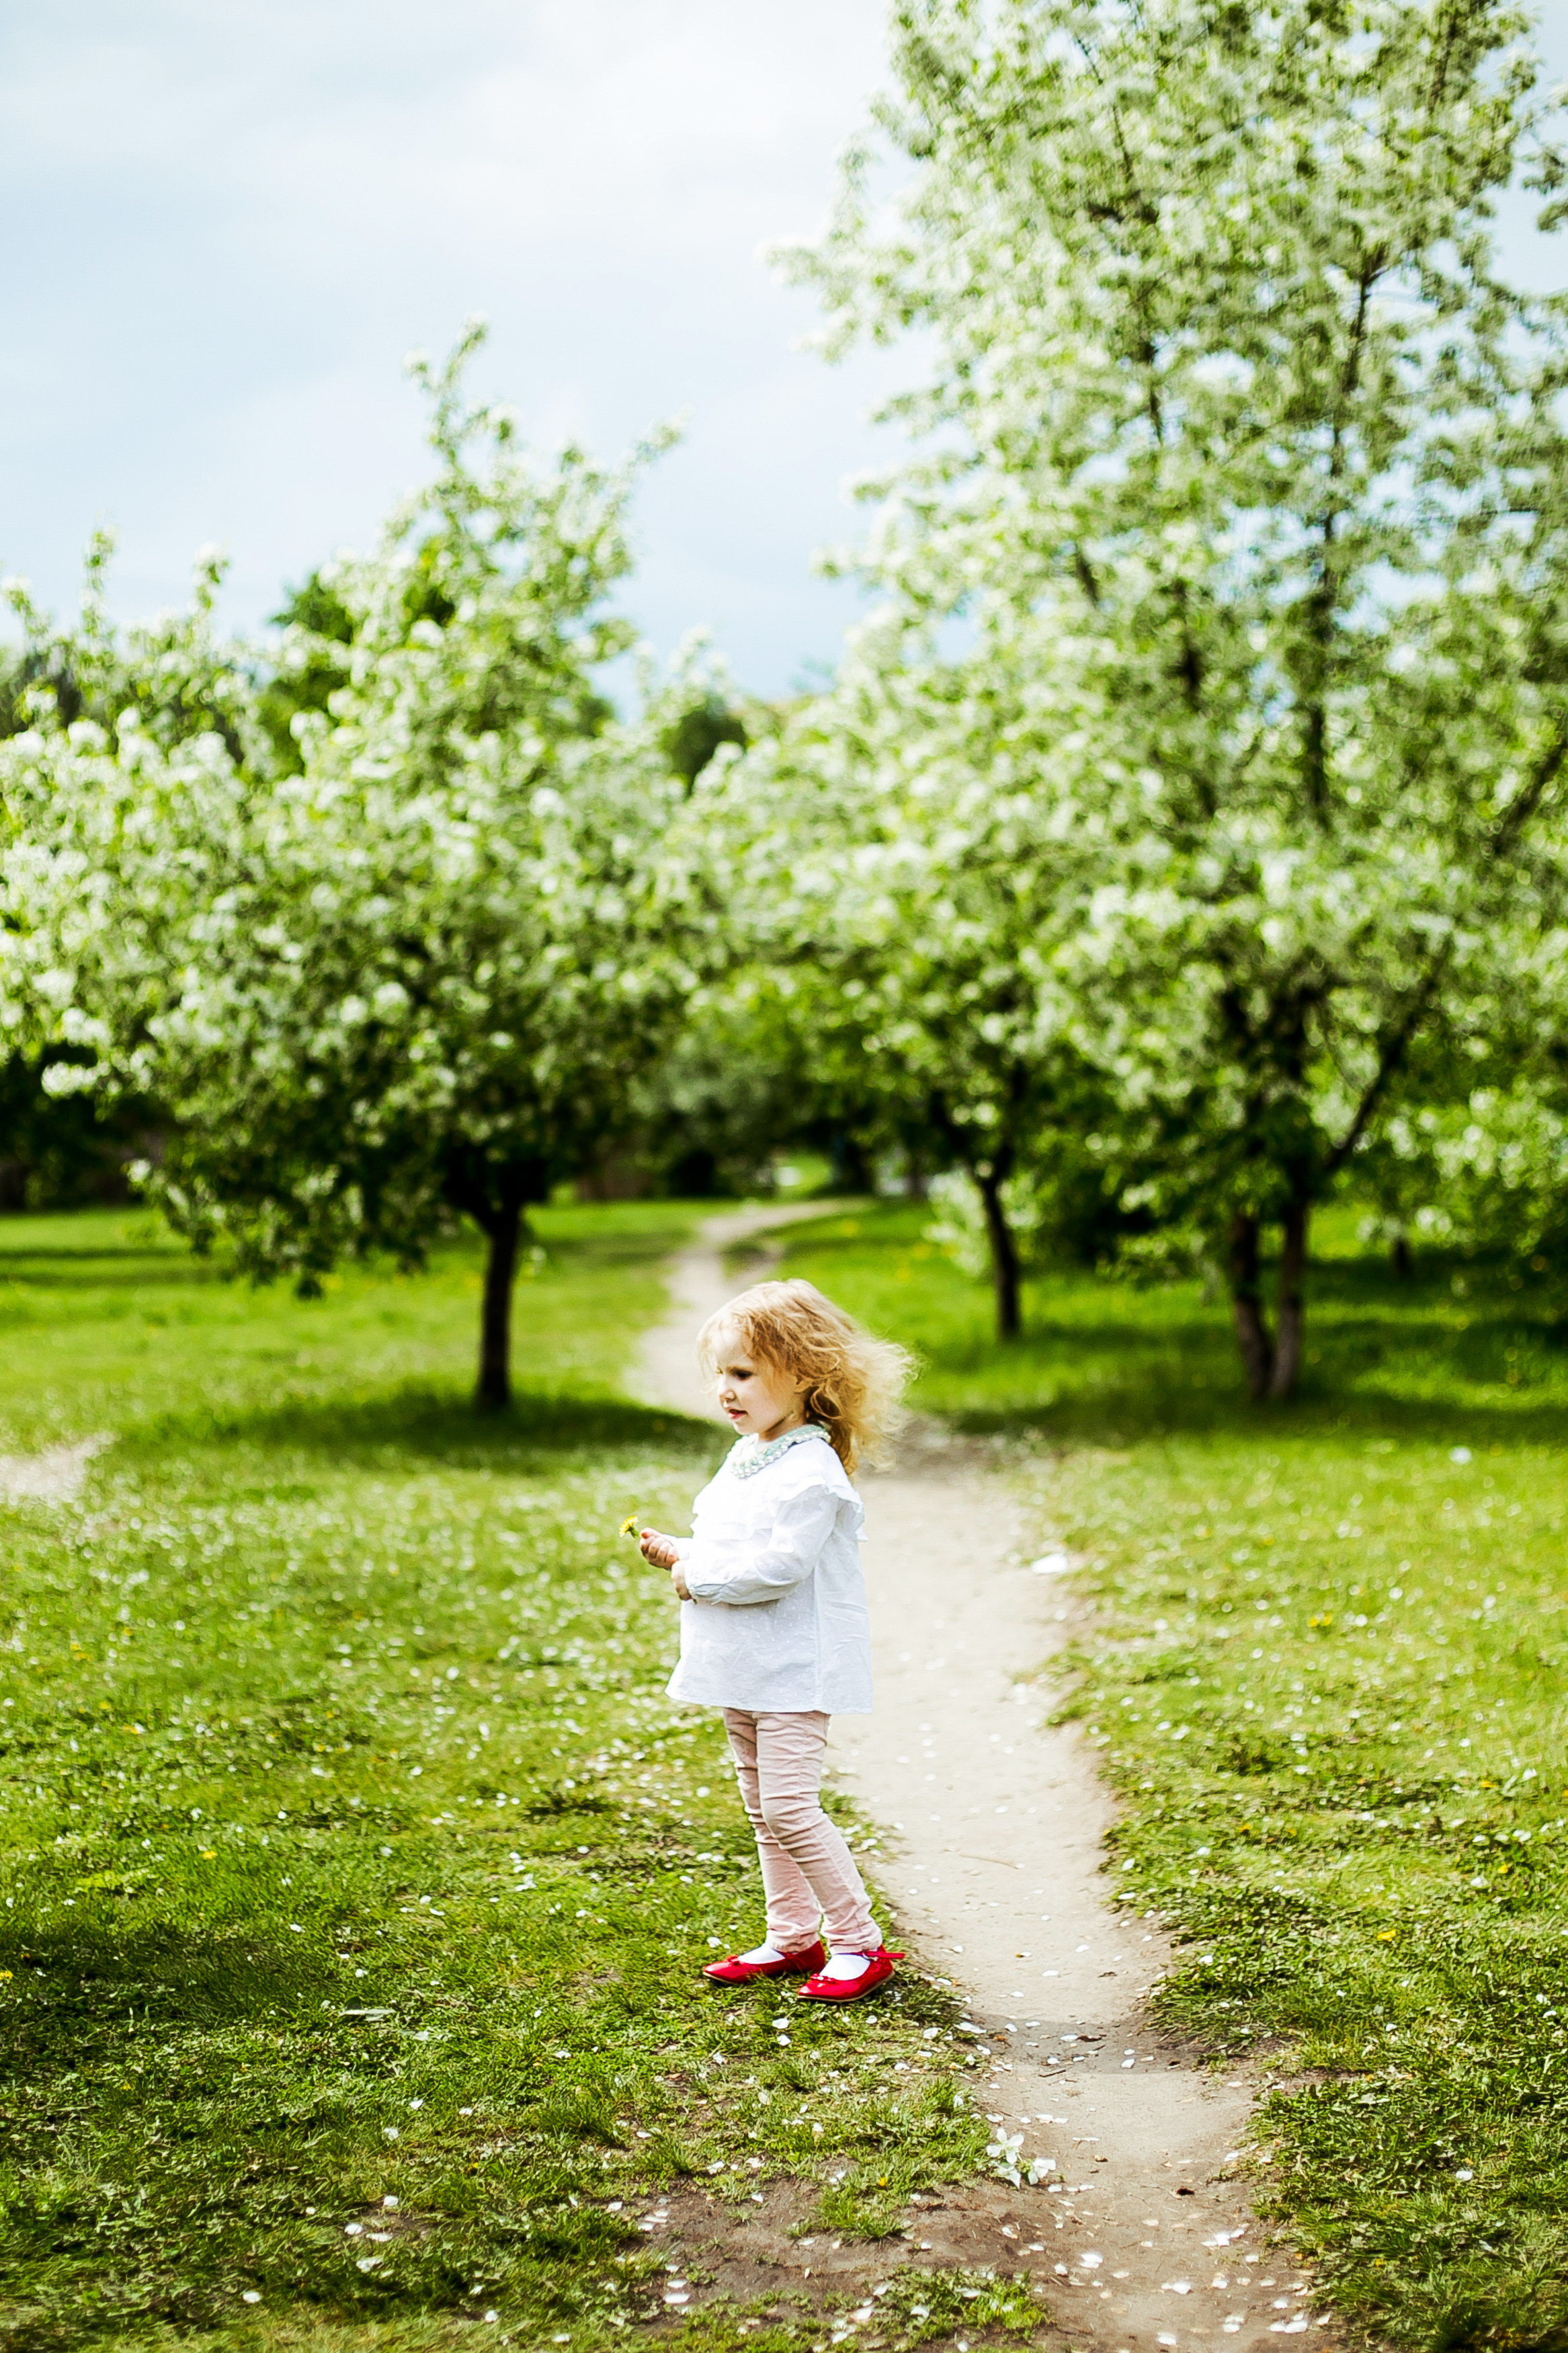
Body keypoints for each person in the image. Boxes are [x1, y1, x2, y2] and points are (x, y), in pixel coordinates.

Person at [636, 1277, 911, 2002]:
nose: (723, 1390)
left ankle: (859, 1942)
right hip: (746, 1664)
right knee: (763, 1810)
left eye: (742, 1373)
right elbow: (739, 1544)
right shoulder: (751, 1452)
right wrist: (681, 1549)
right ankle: (792, 1937)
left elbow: (780, 1567)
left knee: (789, 1807)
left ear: (803, 1376)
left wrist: (695, 1576)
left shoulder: (810, 1470)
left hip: (794, 1669)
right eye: (719, 1373)